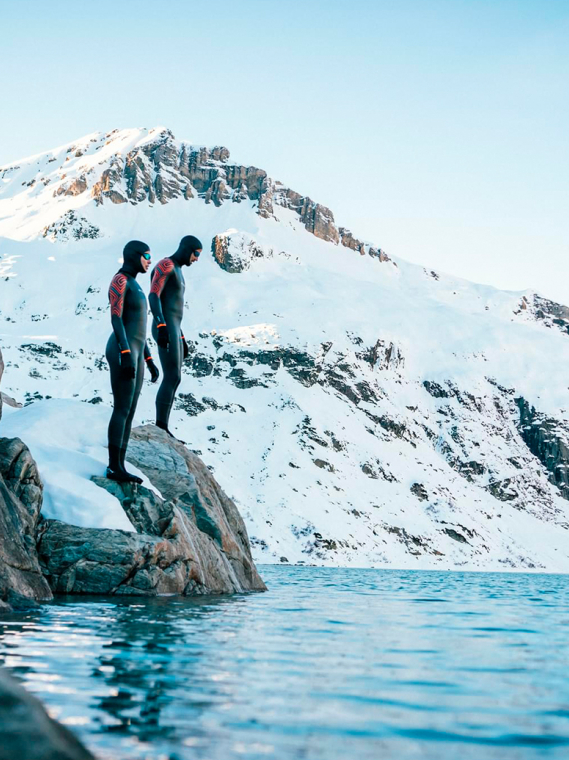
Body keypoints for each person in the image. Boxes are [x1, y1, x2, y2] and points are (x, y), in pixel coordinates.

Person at [106, 240, 159, 483]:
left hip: (135, 351)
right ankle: (113, 467)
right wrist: (125, 352)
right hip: (122, 349)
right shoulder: (121, 281)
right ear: (134, 255)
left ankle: (121, 465)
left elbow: (139, 327)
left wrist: (148, 359)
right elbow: (116, 319)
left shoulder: (136, 285)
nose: (150, 260)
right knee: (122, 407)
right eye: (146, 255)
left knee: (131, 410)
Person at [148, 235, 202, 436]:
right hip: (164, 325)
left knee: (176, 377)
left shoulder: (178, 270)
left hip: (173, 327)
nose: (196, 259)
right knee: (172, 375)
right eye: (196, 253)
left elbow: (174, 307)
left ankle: (163, 426)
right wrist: (161, 324)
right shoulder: (166, 265)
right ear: (187, 249)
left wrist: (181, 336)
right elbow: (154, 294)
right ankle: (160, 426)